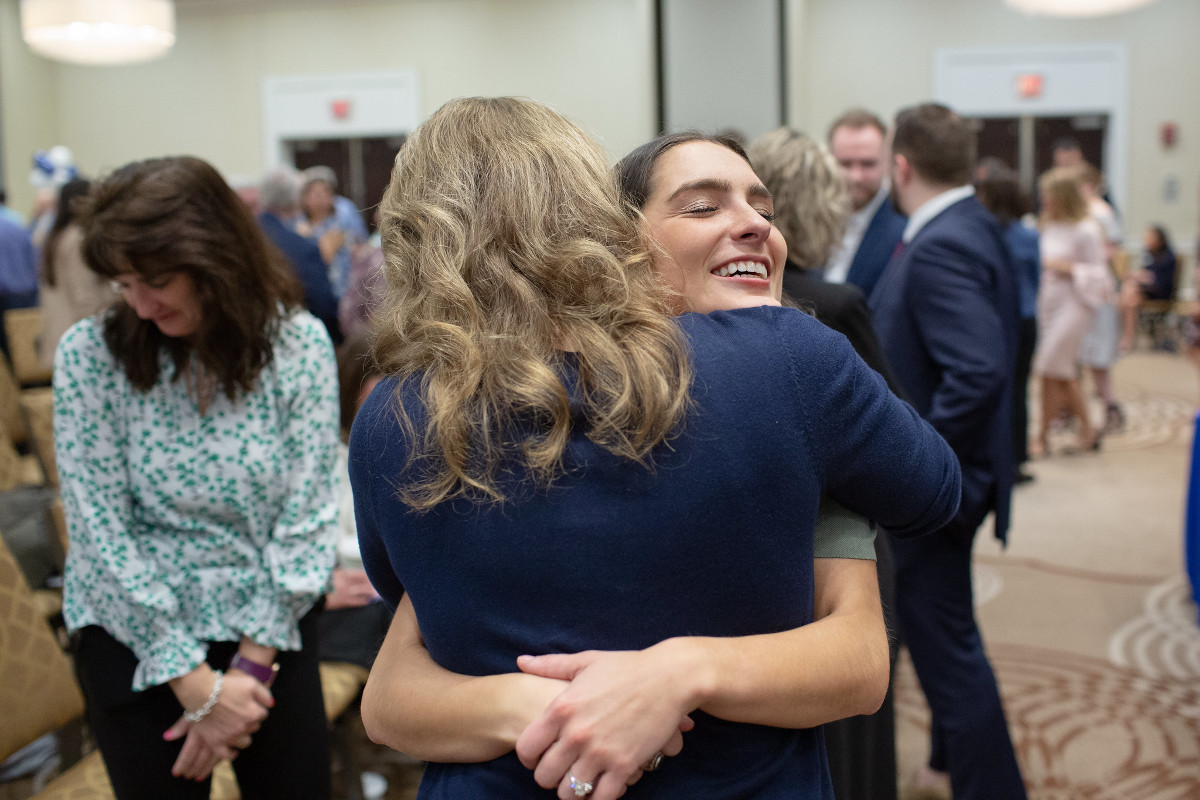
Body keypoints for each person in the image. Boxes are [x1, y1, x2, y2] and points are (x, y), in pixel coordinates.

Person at [352, 96, 961, 800]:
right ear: (610, 225)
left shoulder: (390, 418)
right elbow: (932, 492)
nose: (753, 224)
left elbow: (411, 638)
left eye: (763, 207)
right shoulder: (784, 360)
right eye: (701, 208)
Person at [54, 156, 339, 799]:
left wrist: (246, 673)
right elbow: (98, 528)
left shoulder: (296, 346)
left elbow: (309, 515)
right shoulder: (90, 355)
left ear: (218, 259)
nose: (141, 304)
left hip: (266, 630)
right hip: (133, 635)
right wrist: (193, 682)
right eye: (124, 284)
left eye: (157, 280)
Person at [869, 102, 1027, 800]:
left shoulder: (939, 244)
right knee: (946, 638)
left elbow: (980, 370)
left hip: (942, 488)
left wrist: (915, 457)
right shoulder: (974, 224)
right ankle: (941, 761)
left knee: (948, 656)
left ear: (901, 166)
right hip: (968, 475)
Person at [747, 125, 903, 800]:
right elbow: (894, 441)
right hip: (848, 540)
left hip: (768, 545)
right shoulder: (834, 308)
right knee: (854, 727)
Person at [1031, 167, 1112, 456]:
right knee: (1055, 371)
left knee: (1050, 366)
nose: (1044, 199)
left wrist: (1064, 267)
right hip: (1049, 303)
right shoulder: (1046, 225)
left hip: (1075, 304)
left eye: (1048, 194)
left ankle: (1042, 436)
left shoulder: (1087, 229)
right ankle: (1081, 430)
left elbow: (1101, 276)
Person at [975, 164, 1040, 484]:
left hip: (995, 319)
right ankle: (1017, 459)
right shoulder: (1028, 235)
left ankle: (995, 456)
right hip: (1027, 319)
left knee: (996, 388)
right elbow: (1037, 280)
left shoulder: (984, 234)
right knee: (1019, 389)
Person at [823, 108, 907, 300]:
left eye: (868, 164)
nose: (856, 177)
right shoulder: (813, 216)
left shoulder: (904, 226)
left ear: (888, 161)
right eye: (845, 164)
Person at [257, 167, 344, 345]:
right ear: (295, 199)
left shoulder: (244, 235)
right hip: (294, 343)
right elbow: (322, 304)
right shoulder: (304, 248)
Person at [37, 178, 115, 369]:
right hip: (80, 341)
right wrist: (98, 338)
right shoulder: (77, 238)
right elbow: (83, 296)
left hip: (65, 335)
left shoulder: (59, 235)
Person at [294, 166, 368, 299]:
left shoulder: (344, 212)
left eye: (326, 192)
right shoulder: (298, 222)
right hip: (314, 290)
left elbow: (361, 242)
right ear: (305, 197)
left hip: (347, 287)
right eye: (316, 194)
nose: (322, 197)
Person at [1119, 224, 1177, 352]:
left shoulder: (1167, 257)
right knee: (1129, 297)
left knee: (1129, 294)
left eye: (1148, 238)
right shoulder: (1151, 255)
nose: (1146, 241)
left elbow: (1159, 281)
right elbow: (1148, 273)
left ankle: (1127, 338)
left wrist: (1140, 277)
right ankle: (1126, 337)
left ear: (1158, 239)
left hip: (1161, 293)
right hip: (1148, 290)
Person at [0, 210, 38, 363]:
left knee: (7, 347)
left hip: (4, 294)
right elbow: (32, 256)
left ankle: (12, 382)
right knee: (27, 340)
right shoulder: (16, 223)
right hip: (26, 291)